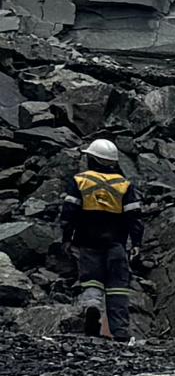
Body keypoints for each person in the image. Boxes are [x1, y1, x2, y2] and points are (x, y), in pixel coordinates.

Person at [57, 136, 142, 344]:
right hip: (116, 245)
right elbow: (134, 218)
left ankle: (92, 309)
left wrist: (66, 238)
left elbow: (69, 212)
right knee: (117, 288)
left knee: (91, 281)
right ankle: (120, 331)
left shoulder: (80, 181)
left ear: (92, 159)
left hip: (88, 243)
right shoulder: (124, 185)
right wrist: (137, 243)